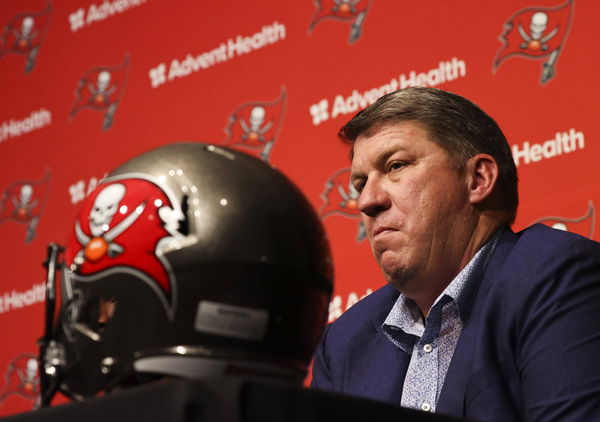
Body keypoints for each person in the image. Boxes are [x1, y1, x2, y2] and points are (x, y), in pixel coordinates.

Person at [311, 87, 600, 421]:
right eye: (360, 184)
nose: (366, 201)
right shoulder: (344, 342)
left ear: (478, 179)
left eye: (395, 166)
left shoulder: (557, 276)